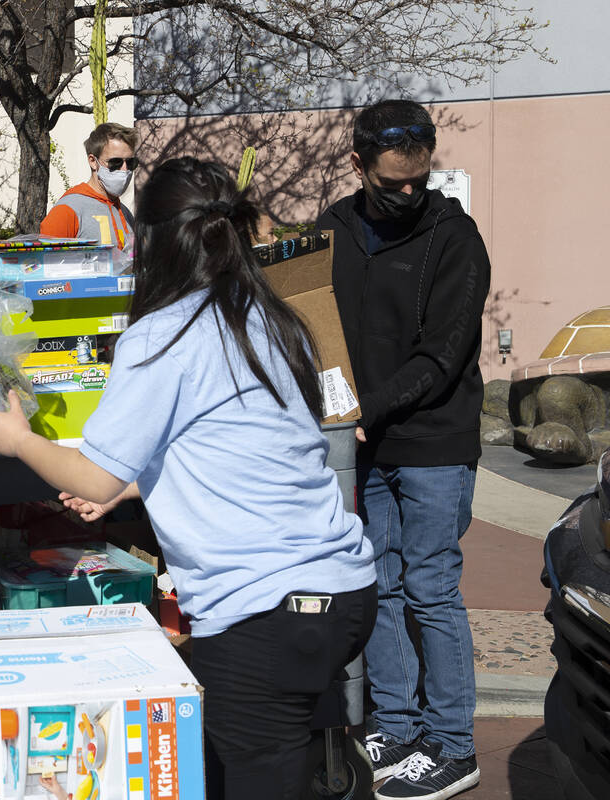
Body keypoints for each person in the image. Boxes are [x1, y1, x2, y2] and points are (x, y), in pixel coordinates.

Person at [0, 157, 377, 800]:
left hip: (263, 612)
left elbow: (92, 477)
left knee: (246, 772)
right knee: (227, 755)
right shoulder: (266, 317)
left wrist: (19, 440)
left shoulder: (163, 334)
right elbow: (233, 451)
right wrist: (135, 485)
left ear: (149, 241)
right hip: (342, 590)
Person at [317, 99, 490, 800]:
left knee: (431, 591)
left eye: (421, 180)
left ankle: (453, 746)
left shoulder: (456, 238)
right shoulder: (333, 230)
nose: (411, 194)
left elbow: (441, 355)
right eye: (394, 184)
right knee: (379, 586)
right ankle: (396, 722)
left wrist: (366, 410)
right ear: (359, 166)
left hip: (434, 441)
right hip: (367, 440)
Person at [39, 122, 137, 249]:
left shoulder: (125, 213)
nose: (125, 169)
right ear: (92, 161)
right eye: (115, 162)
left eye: (131, 162)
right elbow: (46, 264)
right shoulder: (67, 210)